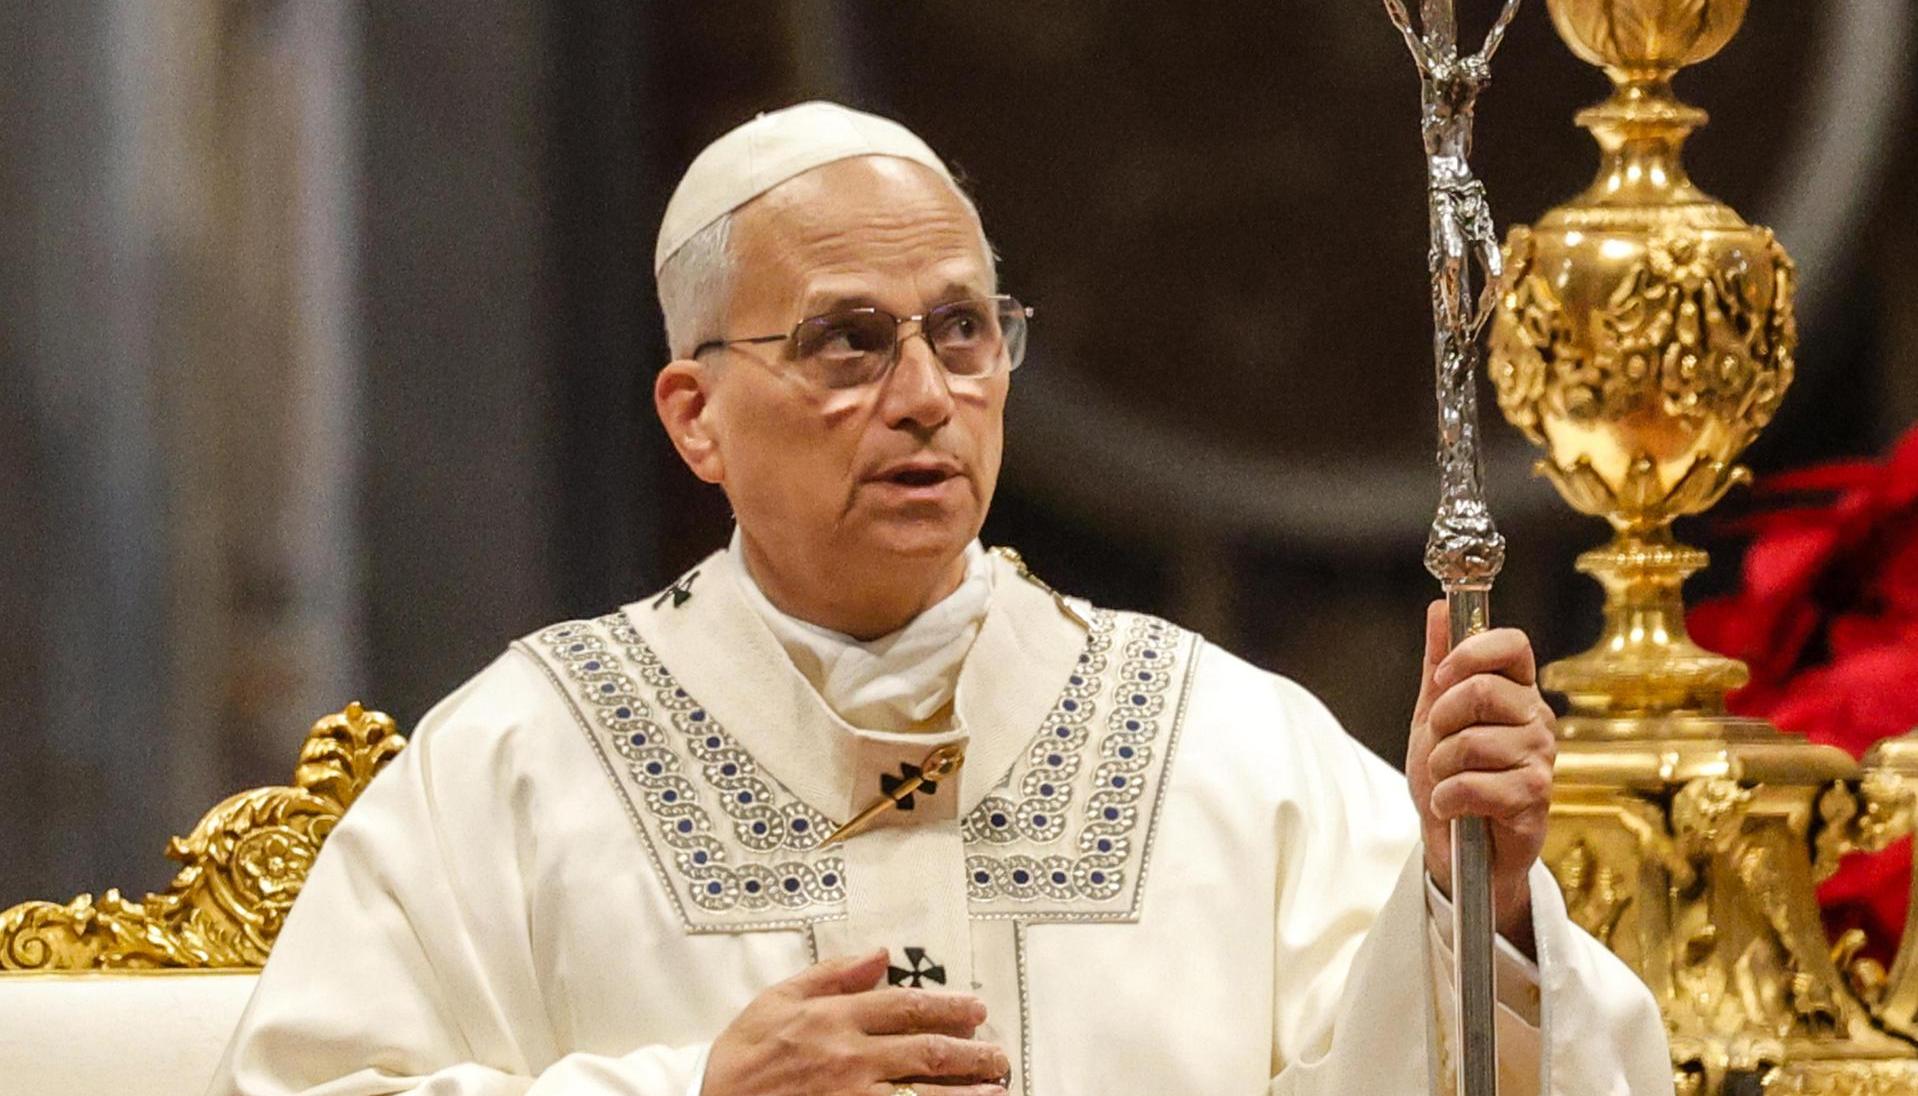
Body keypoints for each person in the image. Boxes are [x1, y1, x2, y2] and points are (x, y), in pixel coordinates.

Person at [210, 101, 1672, 1095]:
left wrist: (1463, 909)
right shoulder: (519, 764)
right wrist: (697, 1092)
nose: (924, 398)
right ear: (693, 415)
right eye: (848, 343)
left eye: (963, 333)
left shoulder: (1221, 744)